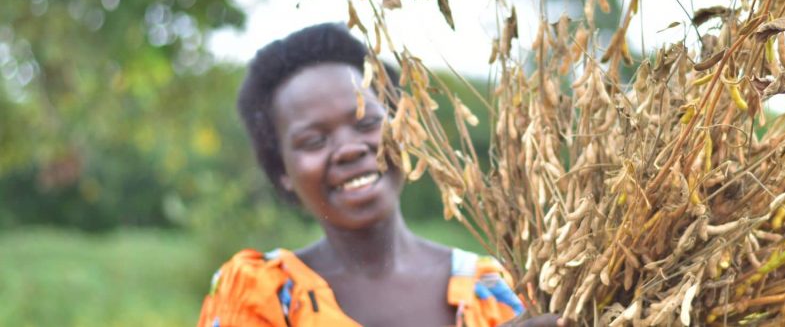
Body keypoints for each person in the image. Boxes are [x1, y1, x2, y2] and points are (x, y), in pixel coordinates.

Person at [195, 23, 563, 327]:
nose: (350, 148)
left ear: (404, 129)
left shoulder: (503, 292)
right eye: (314, 140)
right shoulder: (260, 295)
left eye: (368, 122)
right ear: (282, 171)